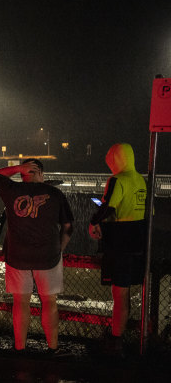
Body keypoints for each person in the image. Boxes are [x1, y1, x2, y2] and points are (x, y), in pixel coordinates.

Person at [0, 159, 74, 354]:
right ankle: (52, 348)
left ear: (22, 174)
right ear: (42, 174)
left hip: (17, 257)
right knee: (49, 301)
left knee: (21, 302)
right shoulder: (55, 194)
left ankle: (20, 348)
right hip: (48, 257)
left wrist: (18, 168)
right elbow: (68, 227)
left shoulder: (11, 191)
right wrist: (59, 249)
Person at [88, 143, 146, 355]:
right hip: (138, 242)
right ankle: (121, 335)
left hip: (119, 243)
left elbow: (108, 207)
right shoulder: (141, 179)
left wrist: (93, 222)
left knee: (118, 294)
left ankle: (115, 340)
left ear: (116, 159)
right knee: (126, 293)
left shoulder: (117, 180)